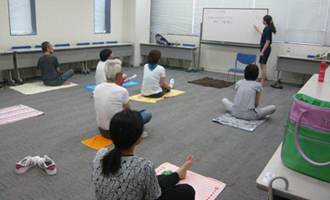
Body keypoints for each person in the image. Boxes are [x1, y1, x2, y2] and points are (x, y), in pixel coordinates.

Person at [92, 110, 195, 200]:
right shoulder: (144, 166)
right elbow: (153, 196)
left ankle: (178, 174)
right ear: (138, 139)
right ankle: (178, 175)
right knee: (187, 191)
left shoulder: (100, 154)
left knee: (152, 180)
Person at [94, 60, 151, 139]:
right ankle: (135, 131)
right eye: (122, 71)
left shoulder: (97, 88)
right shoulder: (121, 90)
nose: (123, 73)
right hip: (117, 131)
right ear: (118, 76)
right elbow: (128, 111)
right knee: (146, 113)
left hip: (102, 130)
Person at [255, 15, 276, 87]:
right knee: (262, 64)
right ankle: (262, 80)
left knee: (263, 65)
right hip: (263, 49)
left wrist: (262, 51)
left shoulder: (268, 29)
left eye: (263, 20)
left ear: (265, 21)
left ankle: (262, 82)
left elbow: (267, 41)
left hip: (265, 49)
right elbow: (264, 35)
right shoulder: (266, 28)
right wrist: (259, 30)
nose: (262, 21)